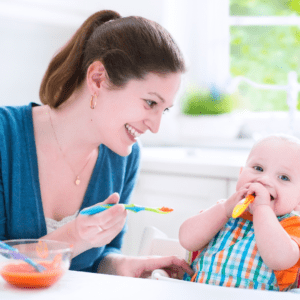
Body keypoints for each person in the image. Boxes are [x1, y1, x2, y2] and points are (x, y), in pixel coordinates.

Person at [0, 9, 193, 278]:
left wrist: (126, 265)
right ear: (97, 79)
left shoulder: (124, 156)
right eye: (150, 103)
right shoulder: (4, 136)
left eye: (165, 109)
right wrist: (73, 236)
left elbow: (100, 257)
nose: (155, 126)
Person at [179, 134, 300, 291]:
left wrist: (262, 209)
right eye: (258, 168)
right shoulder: (223, 211)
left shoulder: (291, 225)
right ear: (241, 174)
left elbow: (280, 259)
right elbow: (186, 240)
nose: (264, 179)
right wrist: (224, 210)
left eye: (284, 177)